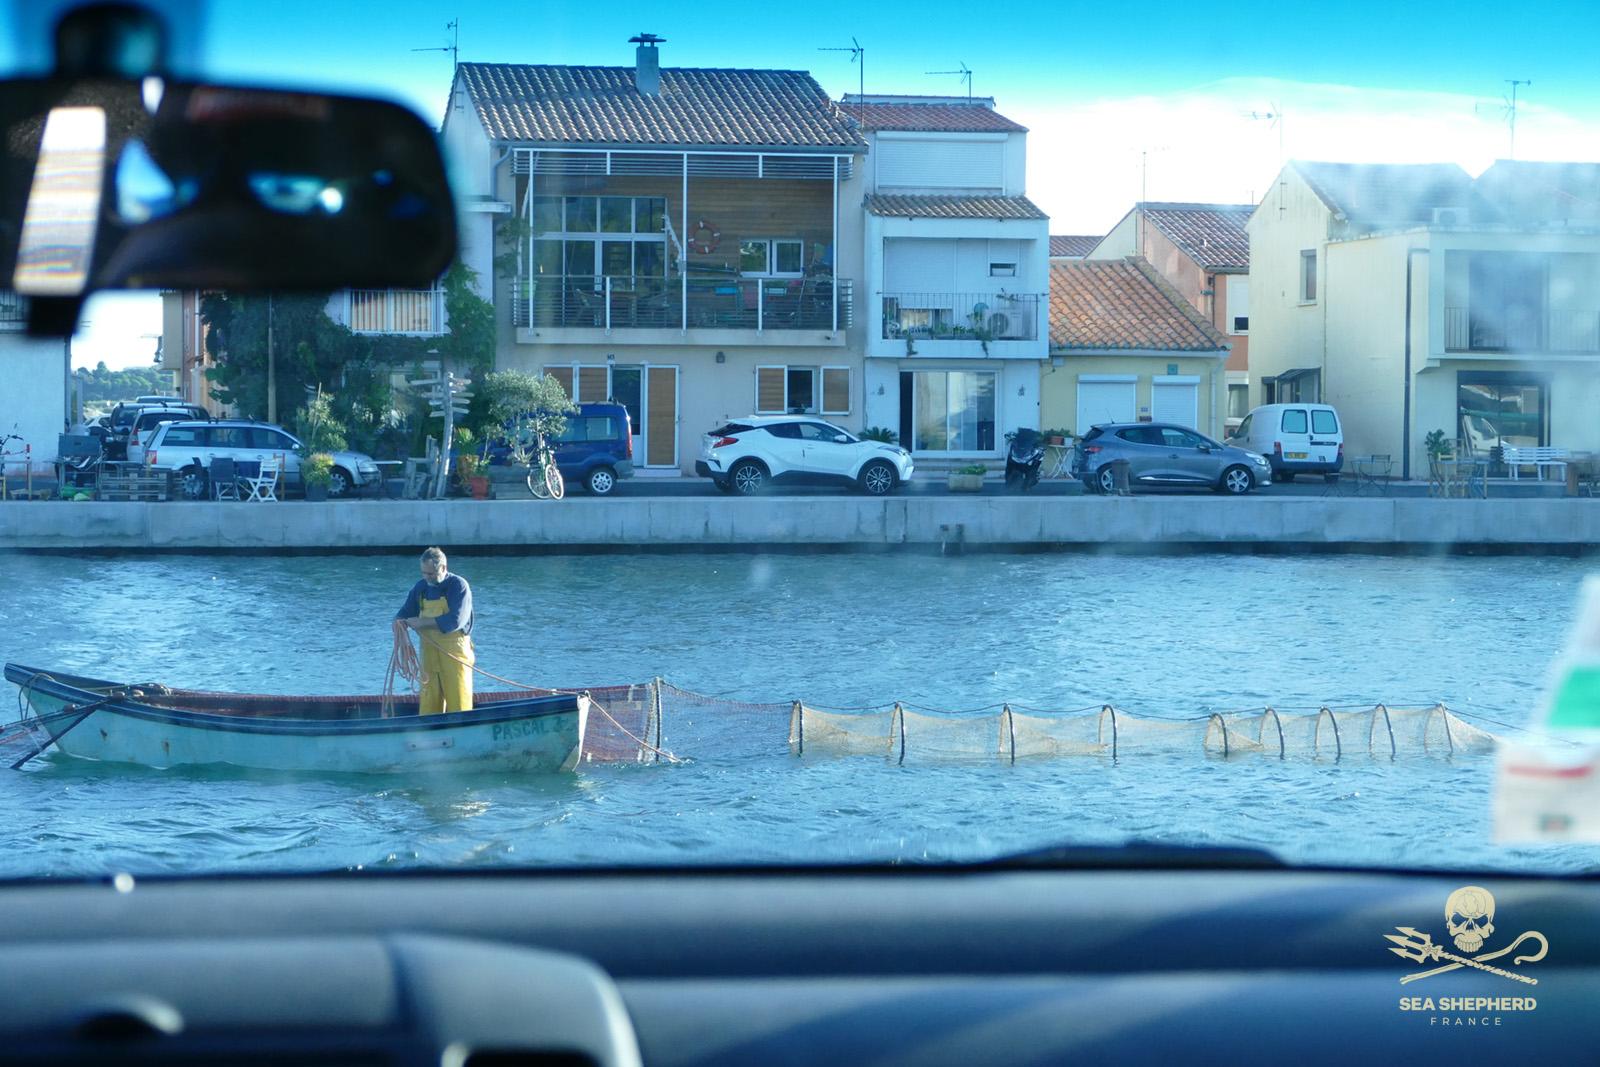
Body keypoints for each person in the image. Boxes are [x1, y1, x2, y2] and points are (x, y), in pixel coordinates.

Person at [394, 547, 475, 714]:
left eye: (430, 574)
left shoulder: (459, 586)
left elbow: (455, 621)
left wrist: (421, 623)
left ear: (443, 568)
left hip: (454, 655)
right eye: (424, 573)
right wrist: (399, 629)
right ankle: (428, 733)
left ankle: (460, 732)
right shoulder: (421, 587)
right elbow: (402, 615)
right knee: (429, 705)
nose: (426, 577)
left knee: (459, 705)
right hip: (428, 656)